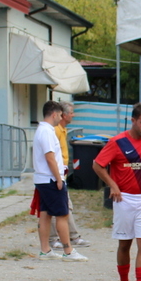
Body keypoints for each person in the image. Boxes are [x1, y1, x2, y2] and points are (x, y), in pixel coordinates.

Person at [92, 103, 141, 281]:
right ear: (133, 120)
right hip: (125, 198)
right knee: (125, 243)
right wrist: (113, 185)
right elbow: (97, 164)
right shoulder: (118, 142)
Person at [33, 100, 88, 262]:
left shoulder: (42, 130)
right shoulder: (47, 132)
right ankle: (68, 251)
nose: (61, 118)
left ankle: (45, 250)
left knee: (45, 215)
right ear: (54, 114)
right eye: (60, 115)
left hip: (42, 179)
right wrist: (58, 178)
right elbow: (50, 157)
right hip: (50, 179)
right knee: (62, 214)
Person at [50, 100, 90, 250]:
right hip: (56, 174)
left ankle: (70, 236)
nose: (73, 115)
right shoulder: (55, 130)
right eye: (71, 113)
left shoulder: (62, 130)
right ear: (64, 115)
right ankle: (62, 237)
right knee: (60, 207)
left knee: (65, 206)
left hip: (62, 173)